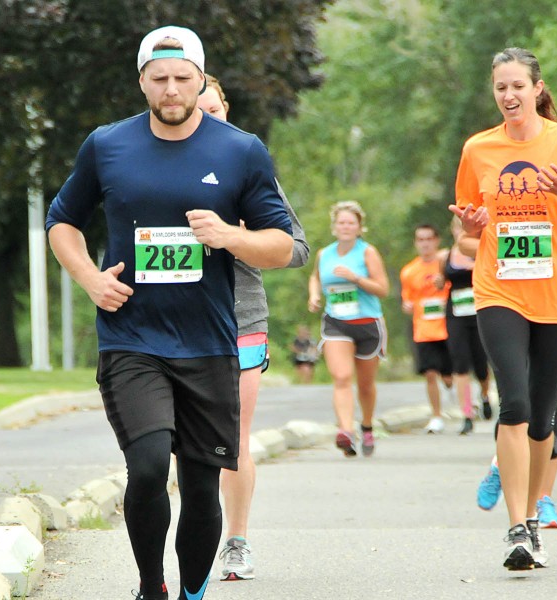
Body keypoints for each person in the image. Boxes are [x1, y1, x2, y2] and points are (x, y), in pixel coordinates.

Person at [45, 26, 294, 600]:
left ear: (201, 79)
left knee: (203, 487)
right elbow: (62, 220)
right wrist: (88, 278)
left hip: (208, 342)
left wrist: (231, 234)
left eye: (183, 78)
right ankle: (151, 586)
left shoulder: (239, 149)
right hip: (132, 336)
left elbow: (282, 246)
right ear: (142, 83)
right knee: (152, 465)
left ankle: (191, 592)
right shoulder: (107, 146)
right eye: (160, 79)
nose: (172, 88)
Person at [449, 47, 557, 571]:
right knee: (515, 404)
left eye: (518, 85)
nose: (509, 95)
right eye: (500, 87)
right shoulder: (478, 149)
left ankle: (533, 521)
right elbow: (463, 232)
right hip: (499, 289)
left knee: (544, 417)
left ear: (537, 89)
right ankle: (516, 528)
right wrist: (472, 228)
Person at [195, 73, 310, 582]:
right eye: (199, 111)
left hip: (241, 317)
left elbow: (297, 248)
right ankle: (183, 540)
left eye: (215, 110)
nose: (207, 119)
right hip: (175, 321)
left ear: (226, 110)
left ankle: (236, 541)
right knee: (179, 441)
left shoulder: (246, 165)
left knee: (232, 434)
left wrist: (239, 238)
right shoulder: (152, 166)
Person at [477, 219, 557, 529]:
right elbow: (465, 240)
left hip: (553, 304)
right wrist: (489, 244)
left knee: (546, 409)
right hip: (507, 304)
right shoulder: (495, 191)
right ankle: (501, 469)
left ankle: (542, 498)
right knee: (516, 402)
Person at [308, 200, 389, 457]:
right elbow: (315, 277)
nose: (345, 226)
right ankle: (346, 431)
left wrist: (356, 278)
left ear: (359, 227)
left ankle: (366, 425)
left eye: (351, 223)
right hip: (336, 322)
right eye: (341, 222)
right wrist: (314, 295)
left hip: (367, 323)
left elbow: (383, 289)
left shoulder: (367, 252)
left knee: (365, 385)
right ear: (334, 227)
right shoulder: (324, 254)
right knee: (342, 378)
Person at [400, 225, 458, 434]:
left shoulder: (446, 263)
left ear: (436, 240)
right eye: (420, 239)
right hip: (424, 329)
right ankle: (436, 416)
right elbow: (407, 299)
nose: (425, 244)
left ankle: (454, 391)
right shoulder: (409, 271)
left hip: (449, 325)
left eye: (429, 239)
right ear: (416, 243)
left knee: (449, 374)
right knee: (430, 373)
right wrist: (406, 305)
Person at [442, 216, 493, 429]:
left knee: (481, 363)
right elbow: (440, 279)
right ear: (453, 230)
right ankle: (467, 414)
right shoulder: (445, 256)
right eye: (457, 228)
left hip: (480, 311)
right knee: (460, 363)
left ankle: (484, 394)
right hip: (456, 313)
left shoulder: (483, 250)